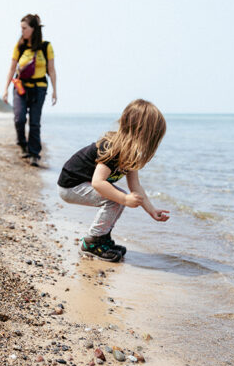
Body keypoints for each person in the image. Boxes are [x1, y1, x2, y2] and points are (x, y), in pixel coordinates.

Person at [57, 99, 170, 262]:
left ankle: (102, 239)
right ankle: (91, 242)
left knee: (118, 197)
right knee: (116, 199)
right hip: (71, 186)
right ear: (141, 132)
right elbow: (98, 182)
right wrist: (124, 199)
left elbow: (135, 186)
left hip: (83, 184)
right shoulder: (112, 147)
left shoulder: (131, 153)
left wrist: (151, 210)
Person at [2, 13, 57, 166]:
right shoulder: (20, 46)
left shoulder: (46, 47)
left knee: (35, 122)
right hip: (21, 87)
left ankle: (34, 154)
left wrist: (54, 90)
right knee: (19, 118)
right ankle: (21, 144)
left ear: (33, 29)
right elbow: (12, 68)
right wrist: (5, 89)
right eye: (21, 28)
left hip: (39, 88)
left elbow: (51, 70)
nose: (22, 31)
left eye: (24, 28)